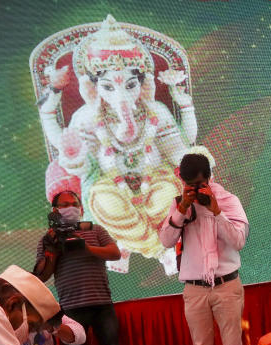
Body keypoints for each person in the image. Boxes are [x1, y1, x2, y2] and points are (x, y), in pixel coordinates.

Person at [35, 14, 198, 265]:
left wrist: (186, 111)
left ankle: (146, 246)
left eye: (130, 86)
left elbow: (178, 148)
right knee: (106, 204)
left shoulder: (155, 110)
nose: (122, 95)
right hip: (109, 184)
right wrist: (74, 155)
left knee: (166, 197)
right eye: (109, 87)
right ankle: (150, 248)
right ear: (94, 87)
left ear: (142, 84)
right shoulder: (88, 116)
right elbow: (85, 166)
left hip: (155, 178)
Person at [158, 151, 249, 345]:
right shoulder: (180, 204)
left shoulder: (228, 200)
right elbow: (166, 240)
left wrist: (216, 211)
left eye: (199, 184)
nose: (195, 189)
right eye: (189, 184)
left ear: (209, 178)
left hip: (226, 285)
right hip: (194, 288)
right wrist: (183, 208)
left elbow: (238, 241)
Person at [34, 189, 123, 345]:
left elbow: (115, 253)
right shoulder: (48, 238)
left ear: (81, 208)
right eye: (64, 205)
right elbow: (42, 275)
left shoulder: (95, 230)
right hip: (71, 307)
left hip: (102, 304)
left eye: (73, 204)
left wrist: (87, 248)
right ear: (55, 210)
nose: (70, 208)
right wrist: (53, 251)